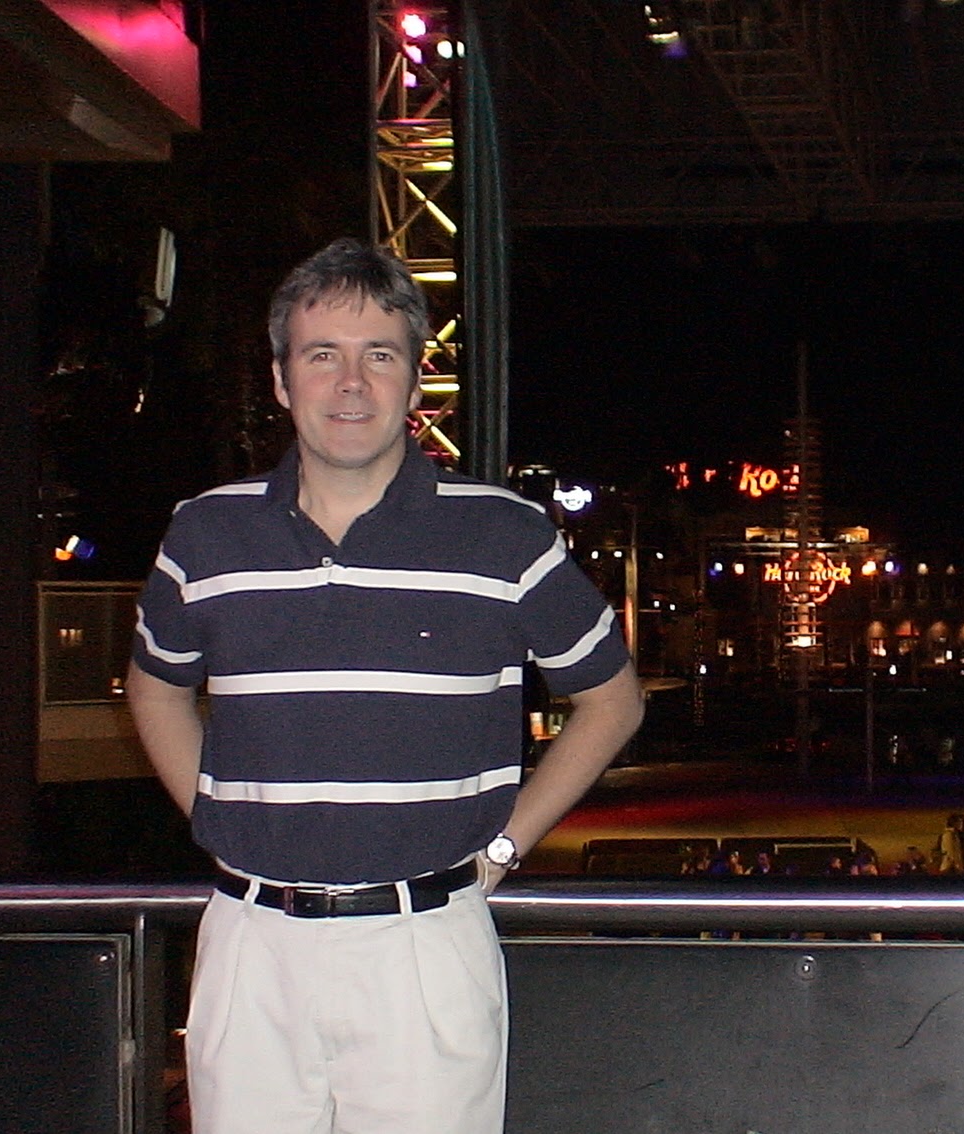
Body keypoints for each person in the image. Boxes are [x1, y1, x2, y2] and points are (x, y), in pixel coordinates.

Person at [126, 238, 643, 1134]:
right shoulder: (205, 535)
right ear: (282, 379)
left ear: (413, 382)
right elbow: (154, 688)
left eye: (380, 356)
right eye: (322, 355)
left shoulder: (504, 535)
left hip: (424, 945)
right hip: (251, 945)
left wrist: (506, 846)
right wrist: (215, 814)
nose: (351, 383)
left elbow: (613, 699)